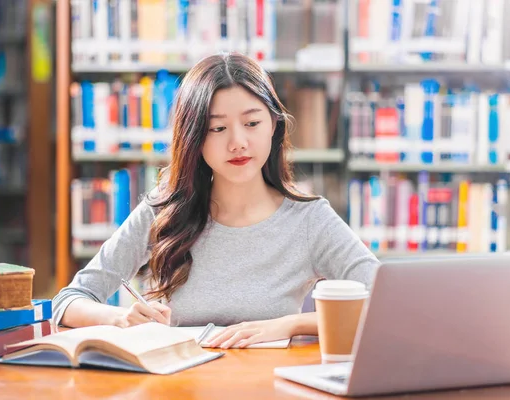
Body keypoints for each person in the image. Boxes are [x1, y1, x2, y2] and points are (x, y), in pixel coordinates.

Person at [52, 52, 380, 349]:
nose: (238, 142)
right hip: (183, 386)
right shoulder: (164, 210)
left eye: (252, 123)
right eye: (217, 128)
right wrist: (119, 318)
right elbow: (68, 300)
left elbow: (383, 303)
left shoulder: (309, 219)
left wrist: (290, 325)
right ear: (194, 138)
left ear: (274, 126)